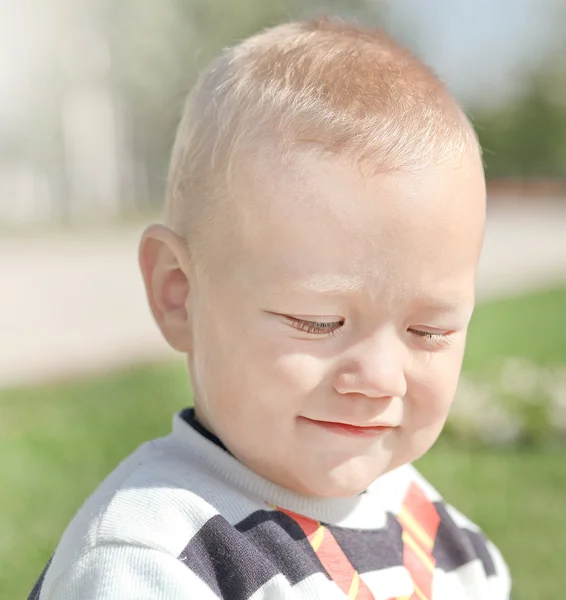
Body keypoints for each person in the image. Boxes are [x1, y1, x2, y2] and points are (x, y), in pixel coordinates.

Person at [29, 17, 512, 600]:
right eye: (318, 321)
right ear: (179, 291)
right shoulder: (148, 559)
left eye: (429, 330)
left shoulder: (446, 544)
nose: (380, 378)